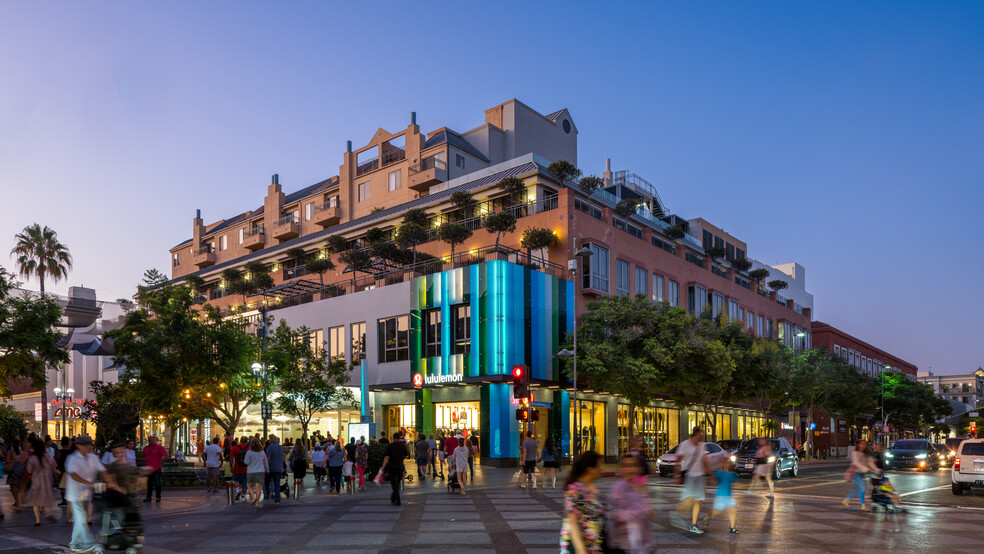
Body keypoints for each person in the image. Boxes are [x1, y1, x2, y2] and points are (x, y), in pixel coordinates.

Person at [66, 435, 123, 552]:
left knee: (81, 519)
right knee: (81, 518)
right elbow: (73, 475)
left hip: (86, 494)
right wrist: (91, 484)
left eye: (90, 445)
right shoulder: (72, 458)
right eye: (85, 445)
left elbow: (103, 471)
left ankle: (74, 543)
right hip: (74, 494)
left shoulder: (93, 458)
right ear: (78, 445)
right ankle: (87, 543)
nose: (88, 447)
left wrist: (112, 484)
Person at [607, 455, 656, 553]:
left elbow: (648, 512)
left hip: (644, 544)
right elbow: (616, 515)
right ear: (621, 469)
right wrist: (642, 512)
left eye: (633, 465)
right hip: (625, 545)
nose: (629, 469)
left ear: (638, 468)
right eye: (625, 466)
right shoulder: (617, 488)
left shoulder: (641, 487)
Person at [560, 451, 604, 554]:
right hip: (577, 546)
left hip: (592, 545)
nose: (602, 469)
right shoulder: (575, 489)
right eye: (599, 466)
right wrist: (581, 550)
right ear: (590, 470)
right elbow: (573, 522)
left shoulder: (590, 486)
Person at [674, 427, 712, 534]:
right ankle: (678, 514)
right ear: (696, 433)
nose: (702, 435)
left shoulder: (702, 445)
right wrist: (677, 476)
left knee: (698, 500)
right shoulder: (685, 444)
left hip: (700, 476)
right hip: (690, 476)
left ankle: (693, 524)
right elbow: (677, 460)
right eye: (701, 433)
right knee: (689, 499)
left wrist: (711, 474)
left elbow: (704, 461)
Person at [24, 438, 58, 526]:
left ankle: (37, 520)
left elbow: (29, 471)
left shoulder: (32, 458)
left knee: (36, 502)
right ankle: (49, 513)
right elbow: (54, 468)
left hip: (36, 482)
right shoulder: (48, 457)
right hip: (47, 482)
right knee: (46, 498)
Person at [705, 456, 740, 534]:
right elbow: (713, 481)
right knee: (716, 512)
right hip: (720, 496)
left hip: (729, 496)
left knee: (733, 509)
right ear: (723, 464)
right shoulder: (719, 473)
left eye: (729, 463)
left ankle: (732, 527)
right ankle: (707, 517)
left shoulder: (732, 473)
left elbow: (735, 478)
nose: (728, 464)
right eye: (726, 463)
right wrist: (713, 479)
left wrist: (735, 473)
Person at [843, 439, 875, 511]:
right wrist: (866, 469)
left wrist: (875, 469)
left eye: (864, 444)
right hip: (856, 473)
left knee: (856, 489)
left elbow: (870, 462)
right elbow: (856, 463)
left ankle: (846, 500)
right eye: (861, 444)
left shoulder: (866, 453)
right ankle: (863, 505)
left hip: (862, 473)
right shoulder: (854, 453)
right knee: (862, 488)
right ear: (857, 445)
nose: (863, 445)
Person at [380, 431, 408, 505]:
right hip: (400, 467)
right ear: (399, 438)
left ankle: (397, 500)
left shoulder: (390, 446)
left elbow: (386, 458)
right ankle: (393, 497)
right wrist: (401, 458)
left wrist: (383, 467)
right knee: (397, 483)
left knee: (394, 484)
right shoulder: (402, 446)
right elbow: (406, 456)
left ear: (393, 438)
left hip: (392, 467)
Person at [142, 435, 167, 504]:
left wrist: (162, 463)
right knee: (149, 484)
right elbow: (144, 457)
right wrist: (144, 467)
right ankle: (148, 497)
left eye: (153, 440)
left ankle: (158, 497)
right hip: (148, 469)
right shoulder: (146, 448)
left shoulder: (159, 447)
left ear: (155, 440)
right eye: (150, 440)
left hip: (156, 468)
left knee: (157, 483)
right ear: (148, 441)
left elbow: (166, 455)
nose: (151, 441)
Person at [243, 438, 268, 507]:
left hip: (251, 471)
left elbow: (246, 462)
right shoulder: (262, 452)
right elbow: (265, 462)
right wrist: (267, 470)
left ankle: (253, 496)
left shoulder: (249, 452)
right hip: (260, 471)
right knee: (258, 487)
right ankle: (257, 503)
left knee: (249, 486)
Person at [4, 438, 27, 510]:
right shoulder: (21, 448)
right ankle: (22, 502)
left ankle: (17, 501)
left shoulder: (10, 448)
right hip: (21, 469)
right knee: (21, 486)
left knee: (13, 486)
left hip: (13, 469)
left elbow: (8, 460)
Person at [264, 435, 285, 504]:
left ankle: (267, 496)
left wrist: (266, 467)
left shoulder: (269, 447)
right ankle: (277, 500)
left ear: (270, 440)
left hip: (271, 468)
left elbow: (268, 459)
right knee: (277, 484)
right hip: (279, 468)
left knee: (266, 482)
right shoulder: (281, 447)